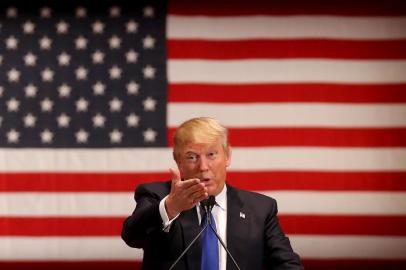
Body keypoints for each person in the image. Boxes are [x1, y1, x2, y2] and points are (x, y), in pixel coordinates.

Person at [122, 117, 303, 270]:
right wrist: (171, 207)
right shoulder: (157, 196)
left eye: (211, 154)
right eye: (192, 157)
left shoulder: (260, 209)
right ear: (178, 161)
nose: (203, 167)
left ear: (228, 156)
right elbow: (132, 236)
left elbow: (286, 264)